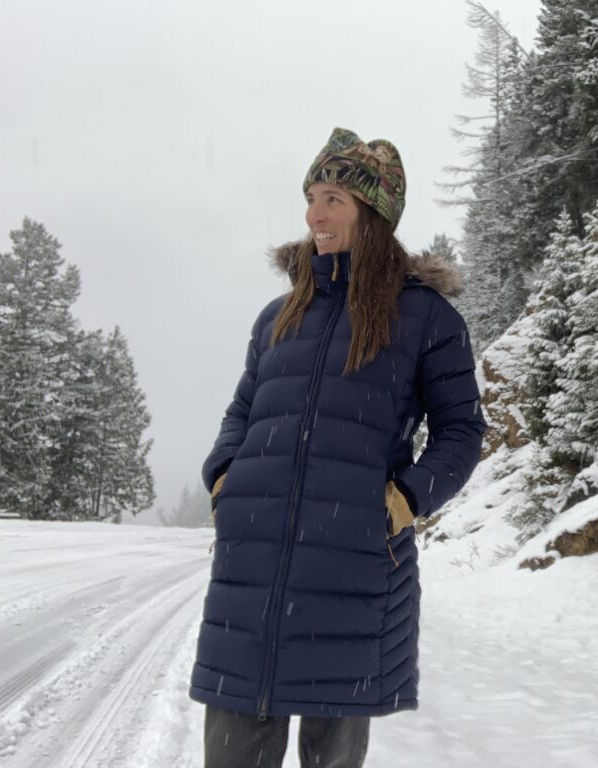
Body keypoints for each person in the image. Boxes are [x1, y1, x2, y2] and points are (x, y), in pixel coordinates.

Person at [189, 127, 488, 768]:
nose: (314, 215)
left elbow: (462, 430)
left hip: (353, 567)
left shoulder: (426, 318)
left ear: (372, 214)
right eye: (312, 197)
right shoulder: (278, 315)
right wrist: (224, 482)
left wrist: (402, 501)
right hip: (254, 568)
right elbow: (243, 410)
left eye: (333, 199)